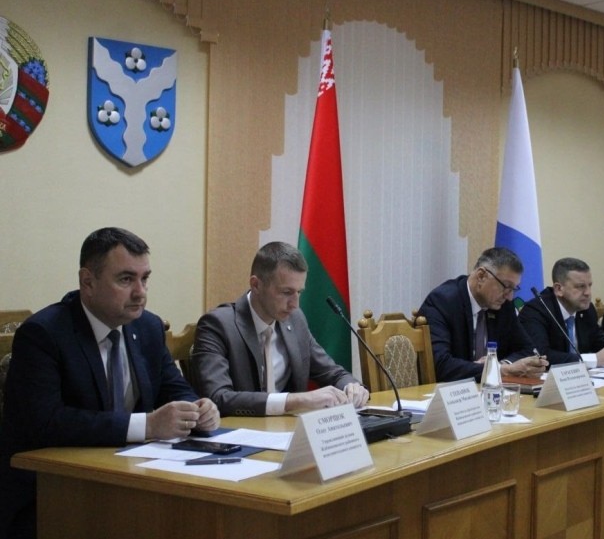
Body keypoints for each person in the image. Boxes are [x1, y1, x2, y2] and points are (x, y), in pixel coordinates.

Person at [0, 227, 220, 539]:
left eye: (145, 278)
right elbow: (46, 422)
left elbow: (172, 387)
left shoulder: (148, 326)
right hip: (53, 493)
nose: (140, 292)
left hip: (132, 478)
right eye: (126, 279)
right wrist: (147, 425)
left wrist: (197, 408)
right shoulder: (44, 334)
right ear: (87, 282)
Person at [190, 242, 369, 416]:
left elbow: (331, 372)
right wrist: (294, 401)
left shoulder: (295, 320)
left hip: (287, 430)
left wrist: (351, 387)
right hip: (240, 431)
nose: (295, 304)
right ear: (256, 285)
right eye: (286, 292)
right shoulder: (217, 325)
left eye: (299, 292)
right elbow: (218, 397)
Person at [418, 247, 548, 382]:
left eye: (513, 289)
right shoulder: (443, 302)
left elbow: (528, 350)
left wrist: (501, 365)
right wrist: (500, 370)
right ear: (481, 276)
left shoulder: (503, 305)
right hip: (450, 391)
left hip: (488, 390)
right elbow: (440, 365)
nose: (509, 297)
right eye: (506, 286)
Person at [520, 258, 604, 367]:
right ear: (559, 289)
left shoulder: (587, 309)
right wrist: (593, 359)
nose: (588, 293)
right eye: (580, 286)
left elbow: (599, 341)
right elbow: (540, 356)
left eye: (589, 285)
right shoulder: (535, 311)